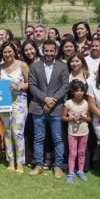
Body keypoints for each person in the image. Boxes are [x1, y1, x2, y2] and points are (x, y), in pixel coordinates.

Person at [28, 40, 70, 178]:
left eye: (52, 51)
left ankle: (57, 166)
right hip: (38, 107)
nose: (49, 53)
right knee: (38, 138)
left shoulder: (63, 66)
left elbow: (65, 86)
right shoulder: (34, 66)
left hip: (56, 108)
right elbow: (32, 85)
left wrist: (52, 100)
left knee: (58, 139)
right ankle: (39, 165)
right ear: (42, 50)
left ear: (56, 51)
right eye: (46, 50)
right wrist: (45, 99)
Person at [0, 42, 29, 173]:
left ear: (14, 51)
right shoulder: (0, 67)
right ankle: (10, 161)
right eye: (5, 52)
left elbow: (30, 84)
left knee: (17, 132)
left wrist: (19, 87)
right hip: (4, 103)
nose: (7, 54)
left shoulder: (22, 65)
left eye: (10, 51)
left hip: (19, 101)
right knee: (7, 132)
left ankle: (20, 162)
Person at [62, 80, 90, 183]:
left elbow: (90, 119)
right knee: (72, 153)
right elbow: (63, 117)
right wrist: (71, 118)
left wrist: (83, 117)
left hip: (84, 132)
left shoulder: (86, 103)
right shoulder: (68, 103)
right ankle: (70, 173)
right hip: (72, 133)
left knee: (81, 152)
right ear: (72, 92)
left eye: (81, 90)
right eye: (77, 91)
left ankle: (81, 171)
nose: (79, 93)